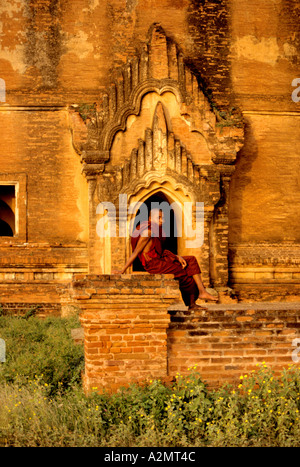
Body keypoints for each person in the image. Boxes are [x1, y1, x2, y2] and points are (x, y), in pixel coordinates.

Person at [113, 208, 218, 311]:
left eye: (162, 218)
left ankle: (202, 291)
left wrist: (176, 257)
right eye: (158, 218)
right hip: (153, 264)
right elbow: (135, 252)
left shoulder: (156, 231)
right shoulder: (147, 233)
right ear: (150, 219)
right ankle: (192, 303)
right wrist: (122, 270)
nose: (161, 220)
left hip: (160, 260)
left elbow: (160, 251)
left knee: (191, 260)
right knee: (184, 272)